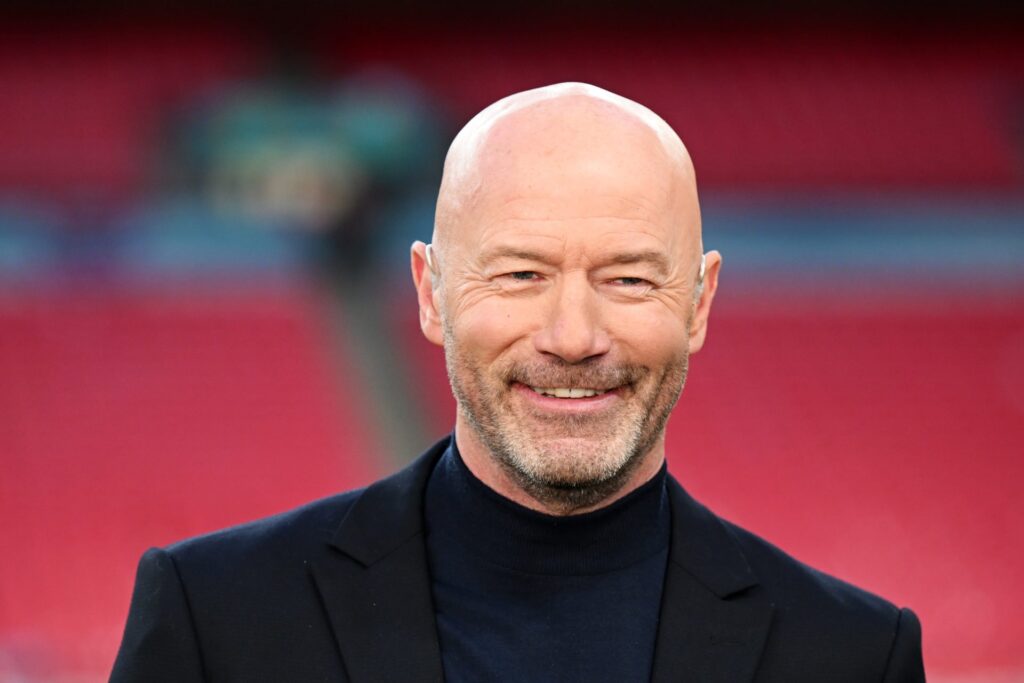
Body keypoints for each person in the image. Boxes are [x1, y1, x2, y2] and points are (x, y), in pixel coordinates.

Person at [111, 82, 925, 682]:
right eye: (522, 274)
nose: (573, 336)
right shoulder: (214, 619)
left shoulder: (853, 657)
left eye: (630, 280)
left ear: (701, 302)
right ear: (431, 293)